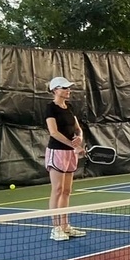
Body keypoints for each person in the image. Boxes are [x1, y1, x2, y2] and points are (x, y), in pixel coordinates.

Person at [44, 77, 86, 242]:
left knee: (67, 191)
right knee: (58, 189)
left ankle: (65, 226)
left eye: (69, 88)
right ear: (55, 90)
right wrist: (72, 144)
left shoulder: (69, 107)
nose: (68, 90)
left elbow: (78, 129)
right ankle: (55, 229)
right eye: (65, 88)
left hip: (70, 153)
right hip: (57, 151)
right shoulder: (50, 108)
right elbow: (53, 132)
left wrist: (79, 138)